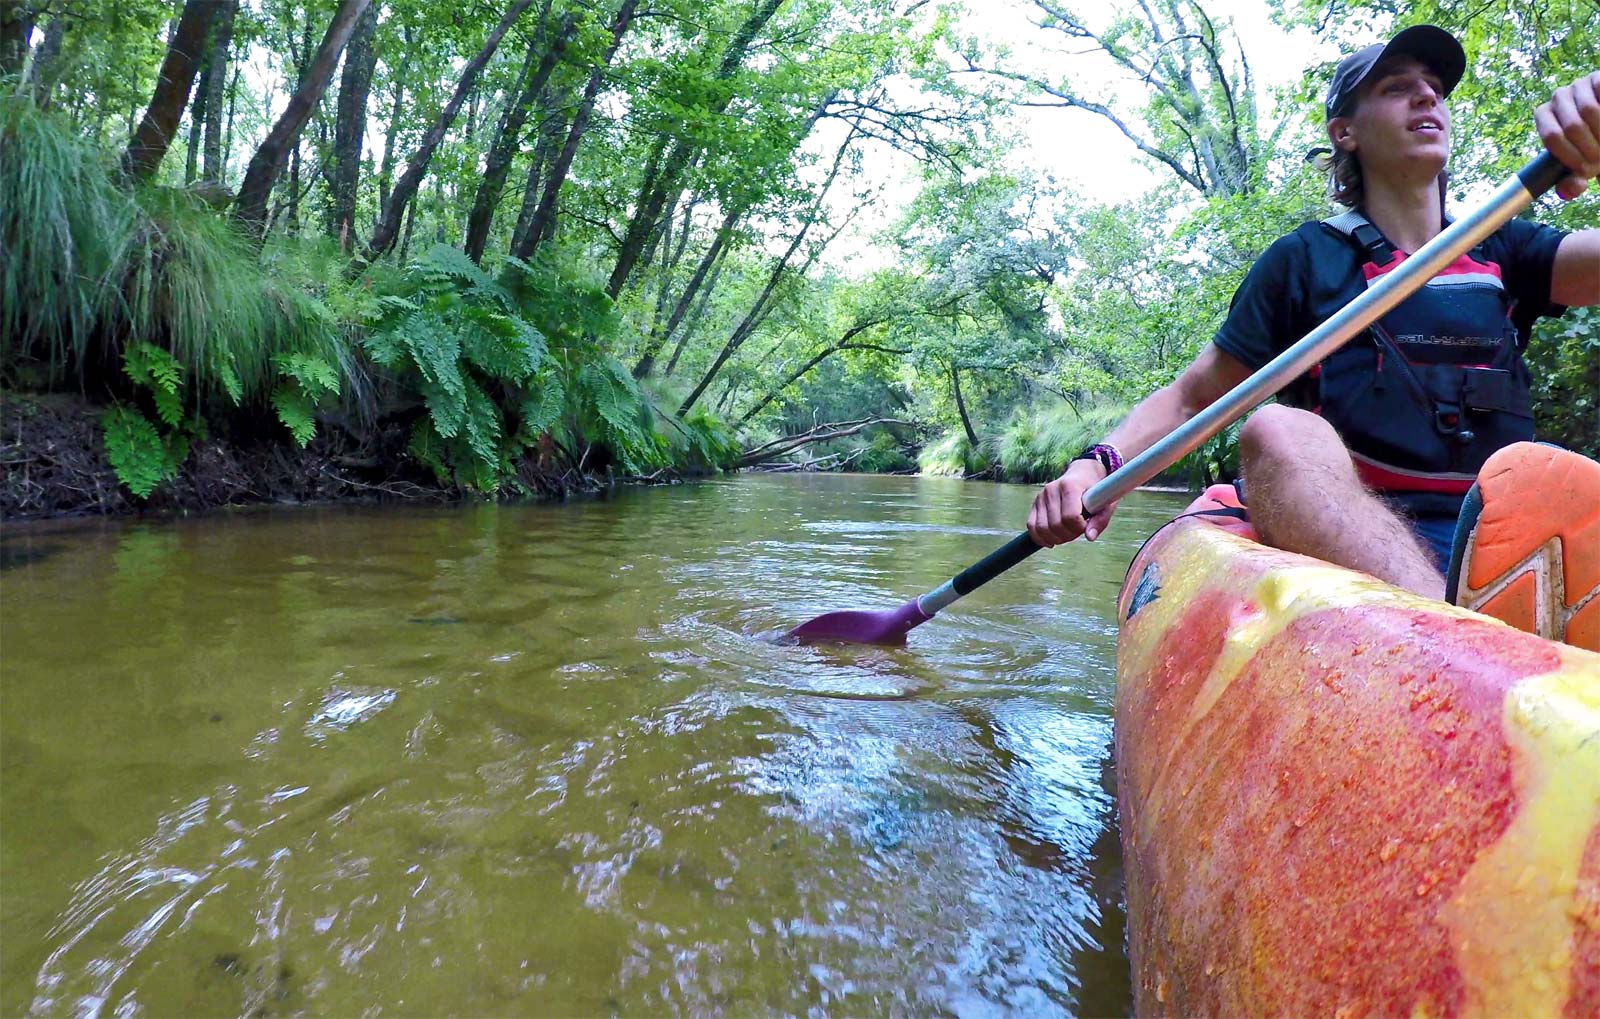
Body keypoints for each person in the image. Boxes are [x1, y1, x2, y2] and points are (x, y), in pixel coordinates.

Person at [1026, 25, 1600, 647]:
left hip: (1495, 526)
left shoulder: (1510, 249)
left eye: (1434, 89)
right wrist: (1095, 468)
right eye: (1396, 88)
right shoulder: (1304, 261)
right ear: (1344, 132)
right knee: (1276, 428)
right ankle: (1463, 641)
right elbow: (1195, 397)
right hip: (1352, 533)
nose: (1427, 98)